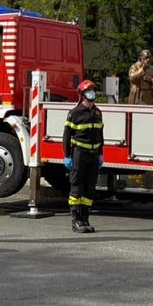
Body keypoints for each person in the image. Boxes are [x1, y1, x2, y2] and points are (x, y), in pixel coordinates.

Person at [63, 79, 105, 234]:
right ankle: (76, 220)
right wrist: (67, 156)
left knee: (90, 188)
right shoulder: (75, 113)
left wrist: (101, 154)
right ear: (82, 94)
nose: (92, 93)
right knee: (76, 187)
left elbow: (101, 135)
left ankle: (85, 219)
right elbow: (66, 136)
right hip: (79, 154)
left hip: (93, 155)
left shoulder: (97, 112)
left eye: (93, 90)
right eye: (89, 91)